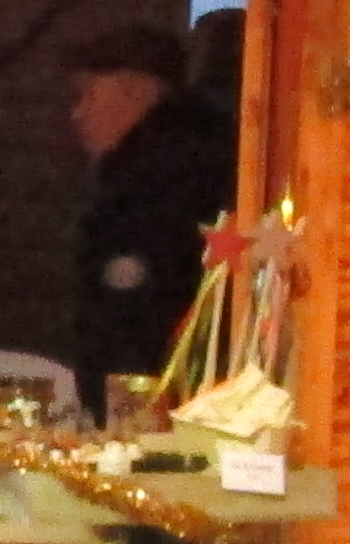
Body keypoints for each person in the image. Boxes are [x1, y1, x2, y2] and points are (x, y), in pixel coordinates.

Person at [65, 22, 236, 406]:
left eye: (88, 94)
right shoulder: (185, 163)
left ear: (134, 90)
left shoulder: (148, 184)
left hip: (156, 403)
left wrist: (120, 404)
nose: (77, 113)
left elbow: (133, 316)